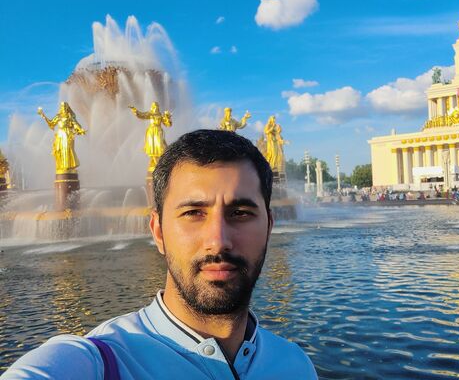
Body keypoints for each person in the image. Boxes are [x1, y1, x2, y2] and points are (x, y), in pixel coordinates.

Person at [2, 130, 317, 379]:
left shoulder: (295, 365)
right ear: (158, 231)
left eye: (241, 213)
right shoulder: (99, 361)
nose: (218, 241)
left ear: (269, 226)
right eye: (193, 213)